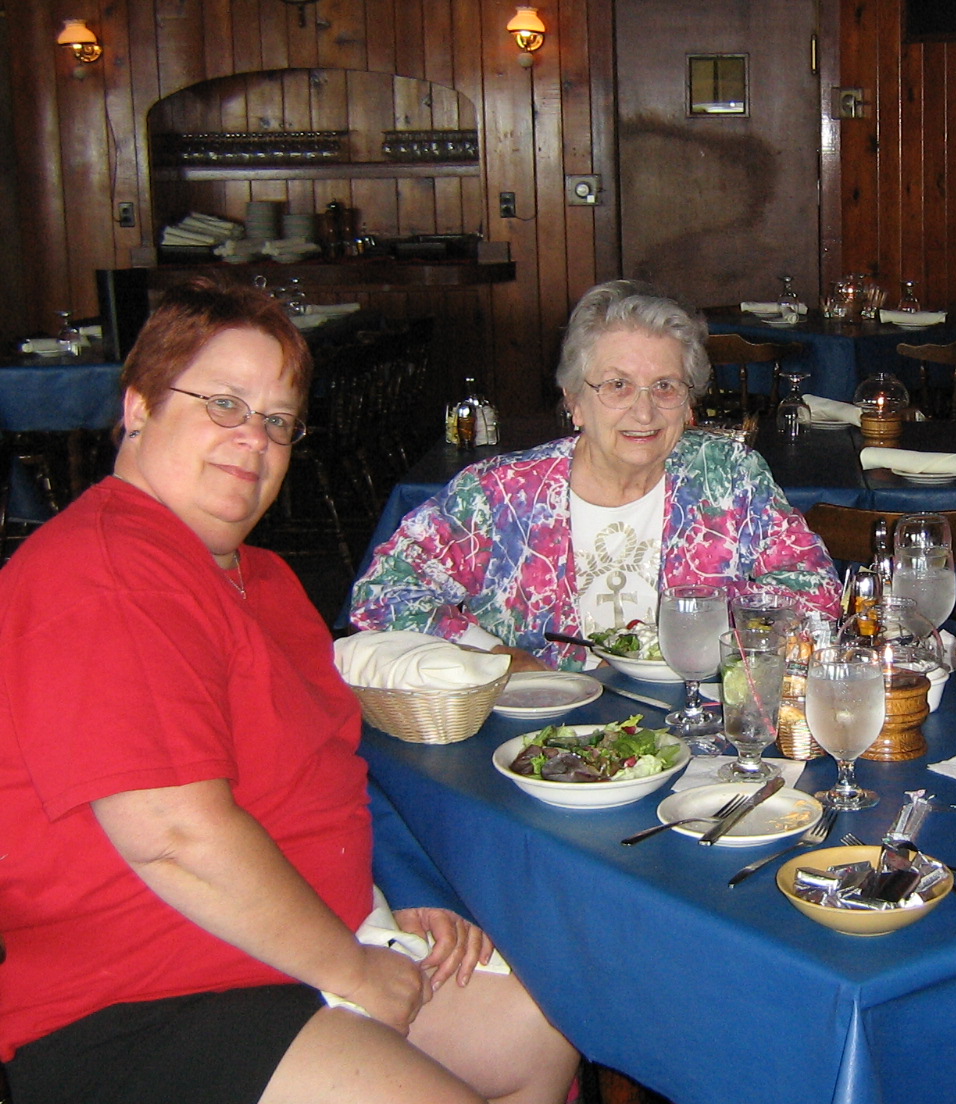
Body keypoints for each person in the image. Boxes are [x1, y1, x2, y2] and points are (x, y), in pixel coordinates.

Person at [0, 279, 579, 1104]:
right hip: (146, 1002)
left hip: (296, 953)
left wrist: (401, 895)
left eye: (276, 420)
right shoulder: (109, 570)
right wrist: (351, 968)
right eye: (224, 405)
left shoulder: (261, 579)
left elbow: (331, 770)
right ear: (137, 407)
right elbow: (171, 833)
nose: (254, 439)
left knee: (543, 1028)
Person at [349, 280, 840, 670]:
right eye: (617, 385)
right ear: (574, 400)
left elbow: (815, 590)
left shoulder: (728, 476)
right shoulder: (499, 493)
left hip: (698, 725)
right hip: (536, 735)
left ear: (690, 401)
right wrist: (494, 656)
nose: (643, 411)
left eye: (665, 386)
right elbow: (382, 595)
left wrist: (721, 634)